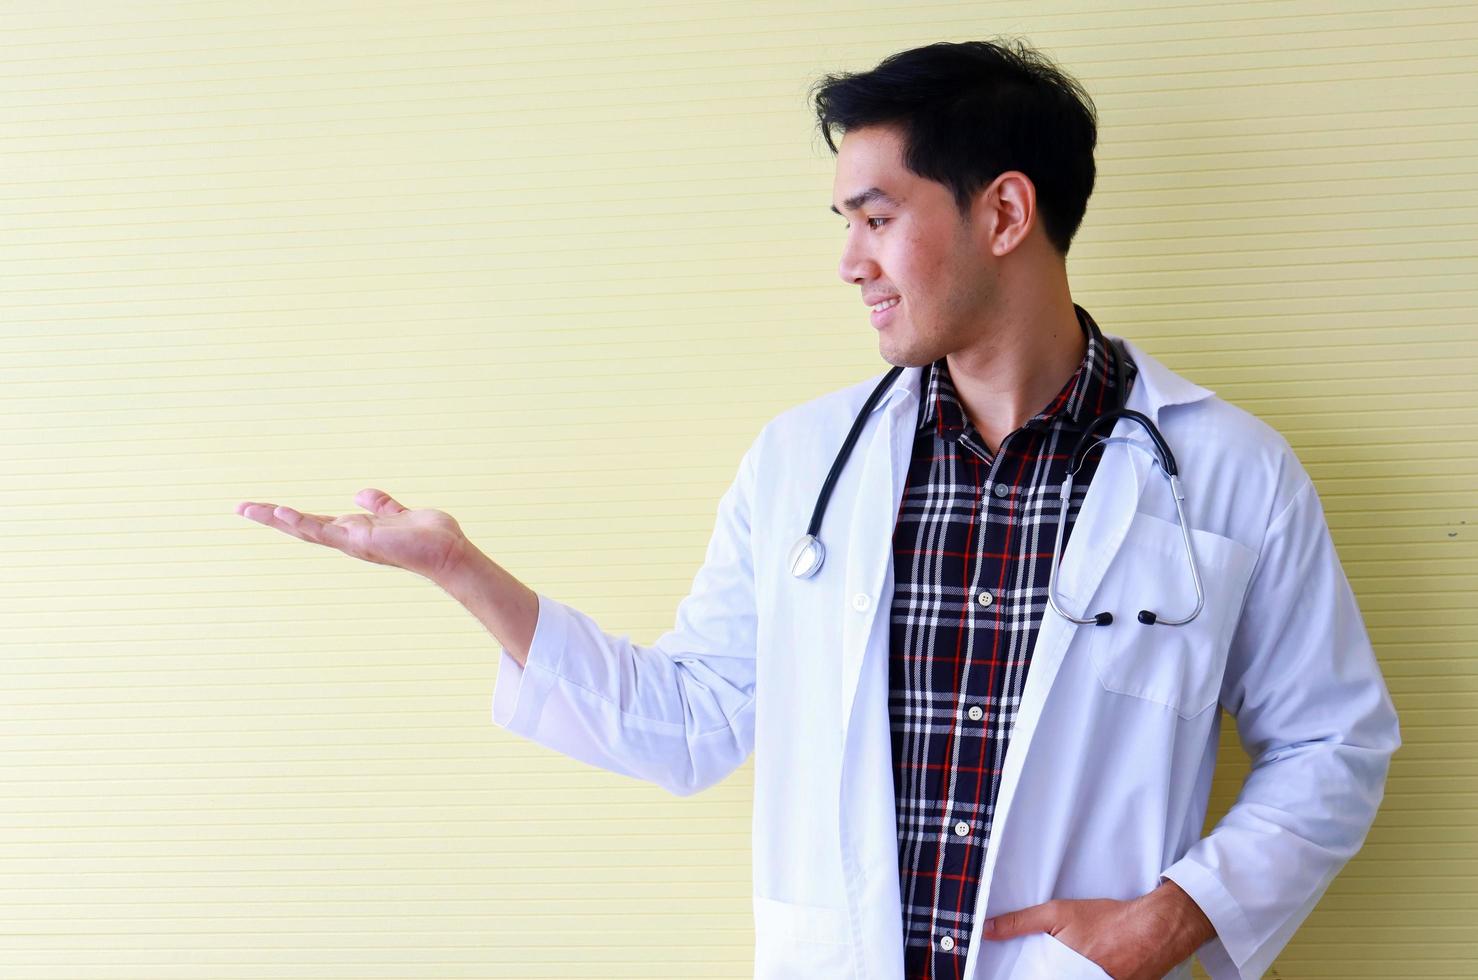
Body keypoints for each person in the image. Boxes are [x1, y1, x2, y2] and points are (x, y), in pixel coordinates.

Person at [236, 38, 1400, 980]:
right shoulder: (803, 464)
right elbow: (692, 720)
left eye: (875, 215)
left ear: (1002, 214)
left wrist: (1171, 918)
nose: (850, 261)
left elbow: (1332, 741)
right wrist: (460, 570)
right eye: (844, 222)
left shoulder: (1230, 472)